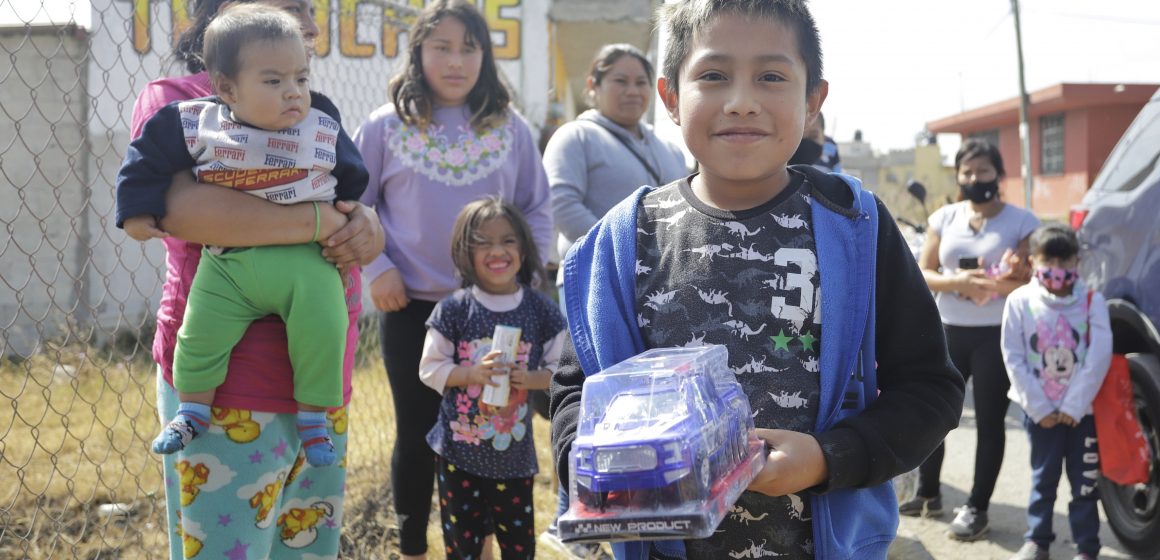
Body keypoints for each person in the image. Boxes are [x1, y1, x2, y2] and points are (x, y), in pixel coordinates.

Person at [549, 1, 965, 558]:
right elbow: (576, 390)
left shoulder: (855, 228)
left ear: (813, 101)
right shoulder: (624, 242)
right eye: (714, 76)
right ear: (671, 98)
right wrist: (597, 472)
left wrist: (828, 458)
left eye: (771, 76)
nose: (742, 102)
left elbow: (931, 390)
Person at [124, 0, 384, 557]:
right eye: (291, 6)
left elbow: (348, 189)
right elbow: (188, 210)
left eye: (311, 9)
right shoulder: (180, 101)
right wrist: (320, 221)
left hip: (320, 384)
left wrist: (367, 226)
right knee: (228, 547)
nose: (311, 26)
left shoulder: (309, 111)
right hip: (230, 386)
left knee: (306, 541)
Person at [353, 1, 552, 557]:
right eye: (441, 46)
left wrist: (525, 282)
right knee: (418, 437)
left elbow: (535, 208)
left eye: (469, 47)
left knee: (491, 434)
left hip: (493, 315)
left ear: (485, 56)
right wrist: (379, 268)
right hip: (411, 307)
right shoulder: (385, 126)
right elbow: (356, 207)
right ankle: (414, 547)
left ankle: (479, 546)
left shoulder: (509, 128)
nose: (456, 60)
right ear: (418, 51)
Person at [539, 42, 686, 560]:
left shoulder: (668, 147)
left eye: (641, 82)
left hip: (662, 293)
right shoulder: (574, 136)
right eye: (619, 80)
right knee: (593, 401)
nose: (632, 90)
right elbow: (563, 203)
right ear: (593, 86)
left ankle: (645, 513)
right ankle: (571, 522)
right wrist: (614, 263)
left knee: (649, 408)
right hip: (592, 291)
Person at [901, 138, 1040, 541]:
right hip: (946, 332)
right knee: (933, 414)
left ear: (998, 174)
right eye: (967, 172)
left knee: (990, 422)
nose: (975, 178)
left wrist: (992, 286)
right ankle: (928, 493)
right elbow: (923, 273)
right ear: (958, 176)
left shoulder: (1022, 221)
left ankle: (977, 506)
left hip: (996, 336)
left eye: (983, 171)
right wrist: (959, 281)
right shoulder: (944, 218)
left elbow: (1029, 278)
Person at [418, 198, 567, 559]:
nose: (496, 251)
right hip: (458, 454)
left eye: (508, 240)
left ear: (524, 247)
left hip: (513, 458)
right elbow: (429, 368)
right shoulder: (454, 309)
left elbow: (560, 373)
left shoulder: (540, 309)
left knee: (518, 548)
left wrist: (526, 379)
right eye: (482, 242)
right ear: (464, 252)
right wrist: (472, 373)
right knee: (463, 546)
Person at [1002, 224, 1111, 560]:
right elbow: (1014, 356)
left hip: (1083, 415)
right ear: (1033, 260)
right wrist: (1040, 407)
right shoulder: (1019, 301)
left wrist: (1075, 405)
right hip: (1041, 415)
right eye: (1050, 260)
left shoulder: (1093, 302)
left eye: (1066, 262)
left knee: (1085, 485)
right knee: (1042, 478)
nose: (1058, 270)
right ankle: (1037, 540)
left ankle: (1087, 548)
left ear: (1077, 261)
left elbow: (1098, 356)